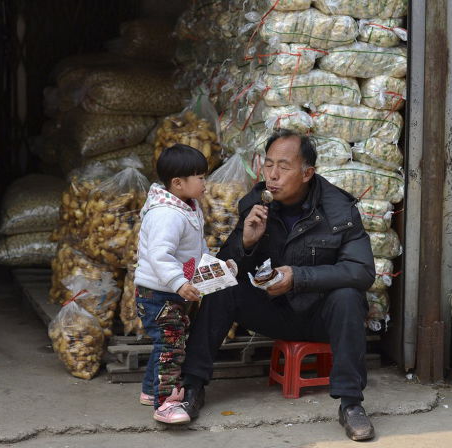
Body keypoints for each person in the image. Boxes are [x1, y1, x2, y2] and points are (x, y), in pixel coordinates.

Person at [181, 129, 377, 441]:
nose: (272, 175)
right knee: (224, 285)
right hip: (272, 312)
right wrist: (245, 243)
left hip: (318, 317)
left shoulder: (339, 211)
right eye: (268, 165)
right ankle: (192, 385)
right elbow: (223, 267)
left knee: (348, 296)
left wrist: (298, 278)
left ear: (307, 173)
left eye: (283, 167)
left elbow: (362, 270)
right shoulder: (256, 205)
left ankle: (351, 404)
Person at [134, 143, 209, 425]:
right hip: (159, 295)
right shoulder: (167, 215)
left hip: (171, 292)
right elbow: (159, 255)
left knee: (166, 342)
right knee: (171, 347)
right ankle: (165, 403)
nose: (205, 182)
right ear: (178, 183)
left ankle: (151, 390)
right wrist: (179, 283)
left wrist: (211, 268)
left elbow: (195, 247)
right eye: (200, 177)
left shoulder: (188, 207)